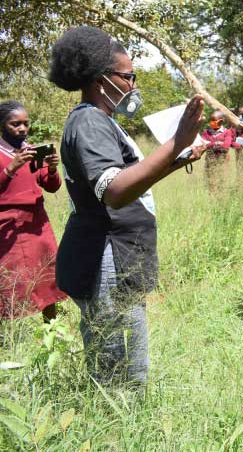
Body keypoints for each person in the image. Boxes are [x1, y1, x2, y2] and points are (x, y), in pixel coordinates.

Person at [49, 26, 205, 385]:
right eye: (128, 76)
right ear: (102, 80)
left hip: (121, 252)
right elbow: (115, 191)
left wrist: (176, 159)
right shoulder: (88, 120)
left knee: (131, 360)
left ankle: (129, 420)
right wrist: (176, 140)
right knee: (114, 365)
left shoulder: (103, 121)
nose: (133, 85)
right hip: (104, 256)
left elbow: (131, 181)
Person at [0, 101, 67, 322]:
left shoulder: (31, 150)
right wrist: (11, 168)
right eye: (15, 124)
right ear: (2, 125)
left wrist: (52, 168)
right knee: (11, 281)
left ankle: (52, 328)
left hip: (37, 224)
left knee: (46, 276)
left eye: (25, 124)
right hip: (8, 226)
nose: (22, 129)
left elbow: (51, 186)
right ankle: (9, 336)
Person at [201, 111, 235, 191]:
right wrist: (216, 143)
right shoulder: (206, 132)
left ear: (221, 121)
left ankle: (222, 198)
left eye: (214, 120)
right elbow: (203, 145)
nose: (212, 122)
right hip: (210, 161)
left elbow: (226, 146)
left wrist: (210, 144)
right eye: (211, 120)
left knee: (222, 180)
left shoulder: (227, 132)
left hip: (223, 161)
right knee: (210, 182)